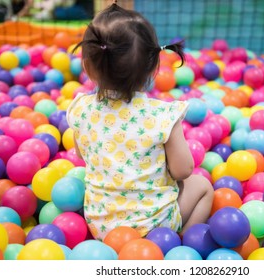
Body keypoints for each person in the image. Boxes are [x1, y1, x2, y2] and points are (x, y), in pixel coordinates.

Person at [66, 1, 213, 240]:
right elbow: (183, 170)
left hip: (102, 228)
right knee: (203, 186)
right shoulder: (162, 115)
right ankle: (182, 242)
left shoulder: (81, 109)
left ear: (87, 67)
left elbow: (82, 155)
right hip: (155, 228)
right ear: (153, 66)